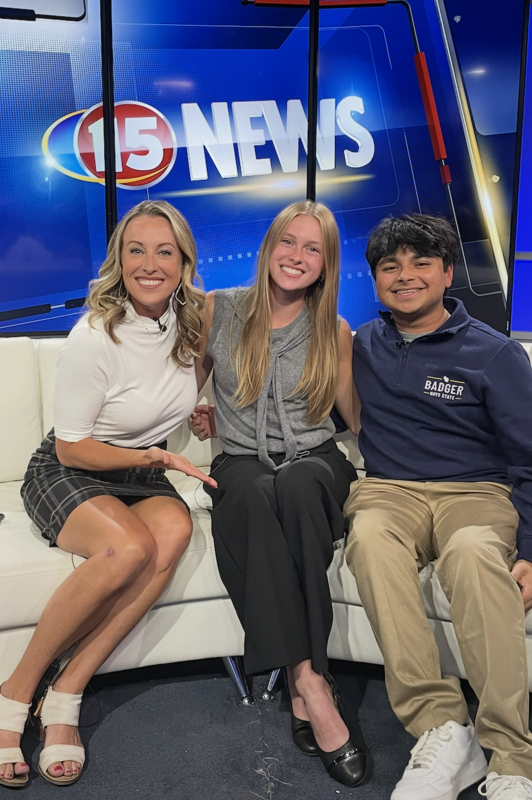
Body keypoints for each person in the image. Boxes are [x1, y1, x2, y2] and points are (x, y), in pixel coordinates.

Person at [0, 200, 216, 788]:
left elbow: (192, 373)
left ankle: (67, 692)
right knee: (127, 548)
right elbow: (72, 448)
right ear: (119, 260)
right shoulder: (95, 334)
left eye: (165, 251)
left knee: (176, 531)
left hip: (139, 467)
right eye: (136, 250)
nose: (150, 264)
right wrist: (154, 455)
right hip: (73, 465)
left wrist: (202, 404)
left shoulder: (199, 317)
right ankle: (9, 698)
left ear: (184, 261)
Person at [344, 213, 532, 800]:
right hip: (391, 489)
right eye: (391, 266)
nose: (405, 275)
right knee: (368, 538)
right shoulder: (361, 344)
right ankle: (442, 730)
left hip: (477, 493)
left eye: (420, 263)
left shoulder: (494, 354)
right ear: (376, 279)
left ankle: (513, 759)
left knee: (468, 554)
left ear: (447, 272)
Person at [190, 201, 366, 788]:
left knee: (294, 483)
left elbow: (357, 423)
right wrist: (197, 410)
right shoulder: (218, 309)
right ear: (267, 247)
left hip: (315, 461)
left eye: (312, 248)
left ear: (326, 263)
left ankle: (304, 681)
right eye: (288, 242)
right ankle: (309, 680)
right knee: (247, 496)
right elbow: (185, 389)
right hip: (241, 459)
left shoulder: (333, 329)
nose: (297, 256)